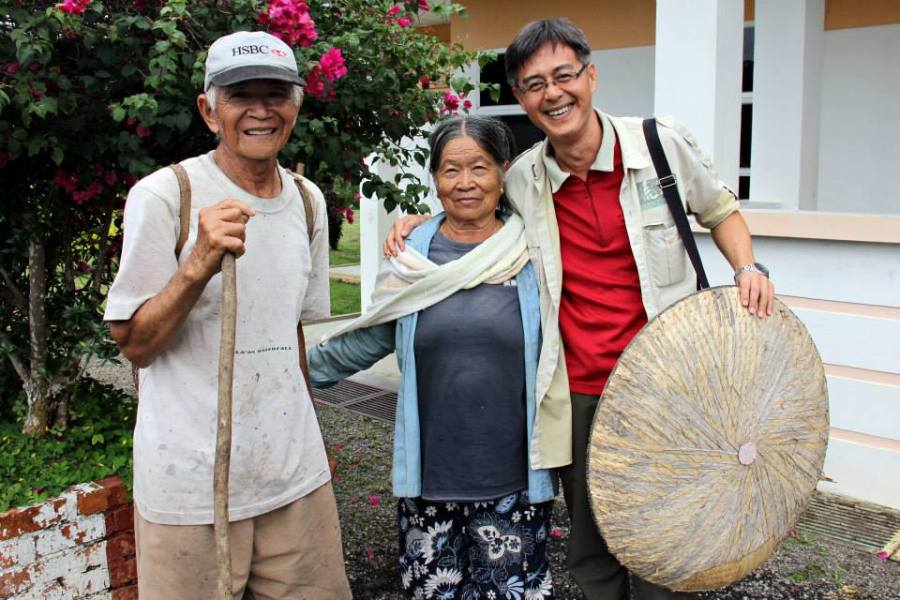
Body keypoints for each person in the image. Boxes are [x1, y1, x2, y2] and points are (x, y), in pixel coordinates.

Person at [384, 18, 775, 600]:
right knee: (593, 543)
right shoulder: (522, 179)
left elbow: (720, 210)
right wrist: (417, 225)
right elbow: (472, 202)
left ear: (590, 76)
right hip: (578, 388)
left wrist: (747, 268)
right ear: (520, 97)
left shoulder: (660, 145)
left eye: (563, 75)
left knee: (667, 532)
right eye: (533, 84)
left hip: (667, 382)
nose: (552, 94)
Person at [104, 31, 351, 599]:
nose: (261, 111)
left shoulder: (308, 200)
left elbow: (291, 337)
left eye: (276, 94)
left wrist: (309, 443)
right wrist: (197, 264)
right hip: (190, 488)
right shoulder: (167, 195)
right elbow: (135, 345)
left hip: (294, 482)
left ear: (296, 105)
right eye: (241, 95)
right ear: (209, 110)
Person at [308, 115, 559, 600]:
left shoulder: (533, 252)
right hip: (431, 478)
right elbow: (371, 337)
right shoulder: (411, 257)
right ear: (435, 178)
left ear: (503, 172)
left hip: (514, 479)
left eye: (480, 168)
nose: (466, 183)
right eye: (450, 170)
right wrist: (289, 369)